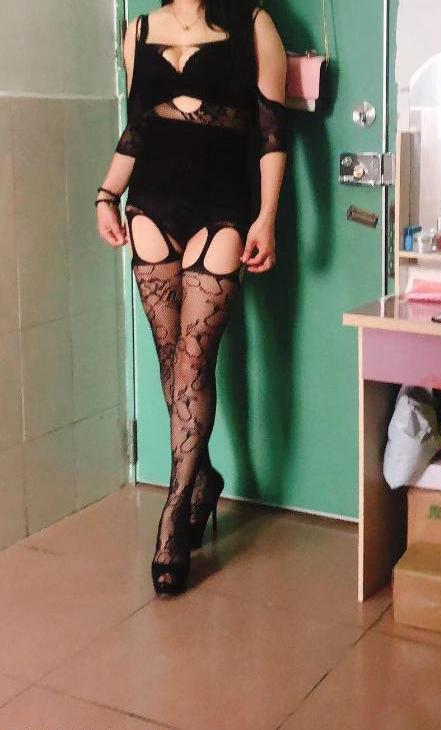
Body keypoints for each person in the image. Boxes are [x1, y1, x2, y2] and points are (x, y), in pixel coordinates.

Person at [95, 0, 288, 596]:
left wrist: (267, 217)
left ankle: (175, 512)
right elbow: (137, 127)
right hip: (152, 204)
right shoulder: (137, 31)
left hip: (222, 209)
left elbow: (271, 132)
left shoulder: (253, 24)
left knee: (195, 360)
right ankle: (202, 478)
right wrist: (106, 195)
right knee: (169, 356)